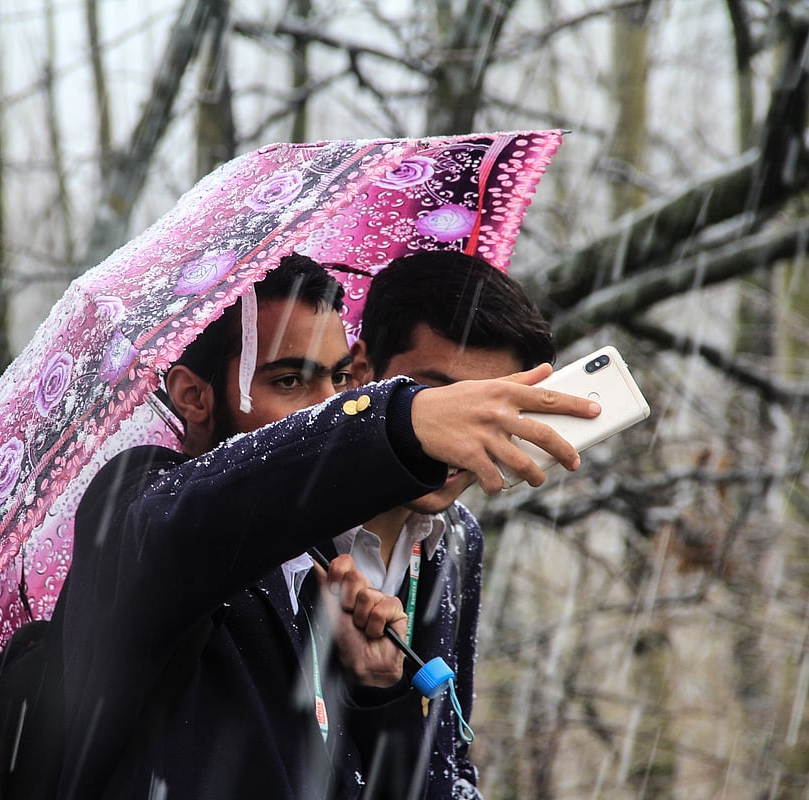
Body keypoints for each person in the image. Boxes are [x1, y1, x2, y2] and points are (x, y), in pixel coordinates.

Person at [51, 254, 601, 800]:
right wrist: (402, 423)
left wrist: (381, 695)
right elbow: (193, 521)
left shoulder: (447, 542)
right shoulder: (144, 501)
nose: (328, 407)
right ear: (194, 396)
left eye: (338, 379)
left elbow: (417, 777)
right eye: (290, 380)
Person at [330, 250, 556, 799]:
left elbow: (445, 759)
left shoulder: (457, 539)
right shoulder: (283, 528)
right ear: (362, 372)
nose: (460, 432)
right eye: (433, 397)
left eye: (488, 407)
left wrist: (385, 697)